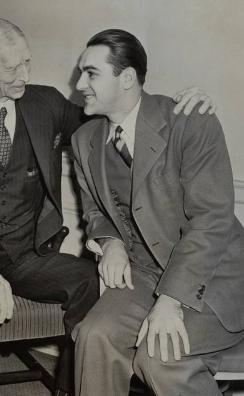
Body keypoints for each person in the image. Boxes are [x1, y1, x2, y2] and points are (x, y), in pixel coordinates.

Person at [0, 18, 214, 396]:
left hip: (24, 253)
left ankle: (71, 389)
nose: (23, 75)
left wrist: (178, 107)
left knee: (87, 278)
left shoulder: (44, 103)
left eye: (27, 63)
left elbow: (114, 109)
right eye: (10, 67)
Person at [71, 28, 244, 396]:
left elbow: (211, 221)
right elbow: (93, 208)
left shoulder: (190, 121)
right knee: (93, 335)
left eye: (91, 73)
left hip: (214, 279)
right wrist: (110, 240)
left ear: (127, 78)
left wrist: (171, 300)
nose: (78, 82)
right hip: (146, 274)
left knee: (159, 357)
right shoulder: (84, 140)